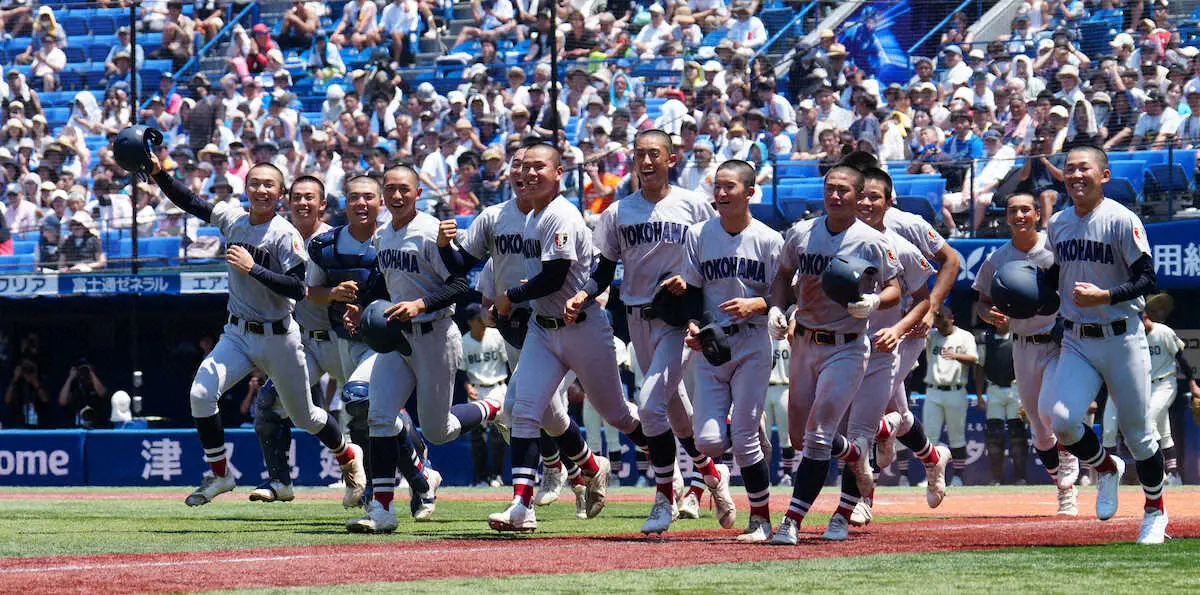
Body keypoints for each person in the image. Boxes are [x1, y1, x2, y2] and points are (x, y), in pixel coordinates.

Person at [145, 151, 367, 510]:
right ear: (245, 188)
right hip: (237, 334)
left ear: (280, 195)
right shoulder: (234, 219)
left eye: (270, 185)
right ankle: (220, 473)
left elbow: (298, 288)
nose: (262, 189)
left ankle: (347, 455)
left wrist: (252, 269)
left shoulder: (284, 233)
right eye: (256, 183)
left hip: (281, 337)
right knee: (201, 394)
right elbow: (191, 202)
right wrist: (159, 173)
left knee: (305, 416)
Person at [572, 130, 736, 535]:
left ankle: (664, 498)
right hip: (636, 318)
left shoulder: (694, 204)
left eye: (654, 154)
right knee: (677, 415)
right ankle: (713, 476)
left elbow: (713, 258)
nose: (646, 161)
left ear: (672, 158)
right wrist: (583, 294)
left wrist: (690, 281)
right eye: (640, 154)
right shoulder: (618, 211)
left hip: (678, 321)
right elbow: (604, 272)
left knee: (649, 405)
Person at [438, 146, 605, 521]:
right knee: (546, 412)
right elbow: (466, 269)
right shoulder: (495, 216)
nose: (522, 172)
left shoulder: (557, 216)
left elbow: (579, 272)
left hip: (555, 321)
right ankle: (587, 467)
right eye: (517, 165)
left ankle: (543, 486)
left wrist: (513, 297)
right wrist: (444, 245)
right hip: (515, 327)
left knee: (524, 410)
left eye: (530, 165)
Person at [487, 143, 645, 532]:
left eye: (541, 166)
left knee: (617, 414)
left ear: (559, 173)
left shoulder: (560, 214)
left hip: (583, 327)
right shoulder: (531, 217)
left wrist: (512, 296)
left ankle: (666, 463)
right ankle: (521, 507)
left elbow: (555, 276)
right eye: (525, 167)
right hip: (544, 326)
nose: (531, 173)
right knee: (524, 410)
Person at [342, 167, 497, 533]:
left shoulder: (431, 231)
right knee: (379, 416)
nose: (397, 196)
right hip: (399, 337)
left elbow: (462, 285)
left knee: (437, 430)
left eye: (404, 190)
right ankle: (382, 510)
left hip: (435, 333)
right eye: (391, 190)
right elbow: (384, 279)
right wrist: (363, 308)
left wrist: (421, 304)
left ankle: (492, 406)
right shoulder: (384, 235)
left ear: (417, 193)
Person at [768, 164, 902, 545]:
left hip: (846, 345)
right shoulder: (802, 232)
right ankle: (857, 452)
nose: (835, 195)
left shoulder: (870, 239)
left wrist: (875, 300)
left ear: (859, 196)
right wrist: (778, 309)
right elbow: (783, 277)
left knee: (818, 436)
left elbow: (894, 287)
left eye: (844, 189)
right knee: (800, 437)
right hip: (804, 342)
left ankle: (791, 520)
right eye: (830, 188)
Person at [1043, 146, 1165, 544]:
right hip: (1077, 338)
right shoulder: (1058, 222)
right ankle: (1106, 466)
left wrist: (1105, 296)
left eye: (1084, 169)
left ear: (1104, 175)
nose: (1076, 175)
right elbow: (1056, 281)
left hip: (1121, 334)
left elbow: (1148, 278)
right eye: (1070, 169)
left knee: (1139, 434)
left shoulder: (1120, 218)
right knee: (1061, 421)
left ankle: (1154, 513)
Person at [677, 159, 782, 538]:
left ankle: (761, 521)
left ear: (750, 192)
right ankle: (720, 469)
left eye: (730, 187)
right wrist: (691, 326)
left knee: (742, 436)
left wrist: (758, 304)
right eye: (717, 186)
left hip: (753, 341)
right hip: (712, 343)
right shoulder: (699, 233)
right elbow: (691, 290)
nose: (720, 193)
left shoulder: (769, 239)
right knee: (707, 440)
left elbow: (788, 293)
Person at [840, 166, 936, 530]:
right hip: (851, 344)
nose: (865, 202)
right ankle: (930, 458)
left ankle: (863, 499)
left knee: (861, 425)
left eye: (874, 196)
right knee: (894, 418)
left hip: (891, 343)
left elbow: (923, 297)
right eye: (860, 194)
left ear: (888, 201)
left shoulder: (902, 244)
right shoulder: (837, 238)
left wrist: (901, 327)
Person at [974, 191, 1082, 512]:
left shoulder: (1054, 250)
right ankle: (1064, 485)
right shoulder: (998, 258)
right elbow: (981, 299)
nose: (1019, 216)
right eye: (1013, 211)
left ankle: (1069, 472)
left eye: (1026, 210)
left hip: (1056, 342)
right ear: (1006, 217)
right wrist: (989, 315)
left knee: (1052, 411)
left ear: (1037, 213)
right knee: (1038, 429)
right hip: (1021, 347)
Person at [1137, 304, 1198, 486]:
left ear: (1146, 317)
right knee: (1163, 431)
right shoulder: (1137, 336)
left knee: (1149, 419)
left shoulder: (1163, 332)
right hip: (1148, 387)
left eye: (1141, 319)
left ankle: (1158, 471)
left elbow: (1181, 358)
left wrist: (1192, 382)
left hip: (1166, 383)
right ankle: (1173, 474)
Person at [922, 305, 978, 487]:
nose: (941, 324)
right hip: (933, 389)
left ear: (952, 318)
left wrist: (956, 355)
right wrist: (930, 319)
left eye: (944, 320)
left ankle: (958, 477)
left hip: (956, 390)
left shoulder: (964, 336)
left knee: (957, 436)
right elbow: (917, 337)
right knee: (930, 438)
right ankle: (931, 478)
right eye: (938, 321)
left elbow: (974, 359)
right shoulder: (932, 335)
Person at [459, 303, 510, 488]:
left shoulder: (496, 336)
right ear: (471, 322)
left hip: (497, 387)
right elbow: (459, 372)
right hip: (477, 390)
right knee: (476, 436)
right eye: (478, 319)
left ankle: (496, 475)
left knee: (499, 433)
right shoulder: (464, 342)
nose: (482, 322)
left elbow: (509, 362)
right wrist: (466, 386)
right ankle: (481, 477)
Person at [974, 322, 1026, 485]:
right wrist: (979, 394)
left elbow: (1026, 367)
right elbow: (980, 367)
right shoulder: (985, 338)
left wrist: (1027, 395)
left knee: (1017, 435)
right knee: (994, 436)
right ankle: (996, 477)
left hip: (1016, 389)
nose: (1000, 320)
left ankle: (1020, 477)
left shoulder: (1019, 338)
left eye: (1004, 316)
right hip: (994, 390)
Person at [765, 335, 792, 484]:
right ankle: (763, 477)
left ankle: (787, 476)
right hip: (764, 388)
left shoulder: (789, 338)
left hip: (784, 387)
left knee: (785, 436)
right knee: (764, 437)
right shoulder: (763, 336)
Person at [58, 358, 107, 429]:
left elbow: (102, 393)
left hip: (96, 425)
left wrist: (91, 373)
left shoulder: (96, 382)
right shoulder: (73, 385)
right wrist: (70, 378)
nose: (83, 371)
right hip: (77, 425)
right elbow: (62, 402)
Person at [5, 358, 50, 428]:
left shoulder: (41, 381)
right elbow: (7, 400)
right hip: (19, 424)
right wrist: (15, 379)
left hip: (38, 424)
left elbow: (45, 399)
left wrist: (34, 381)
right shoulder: (17, 384)